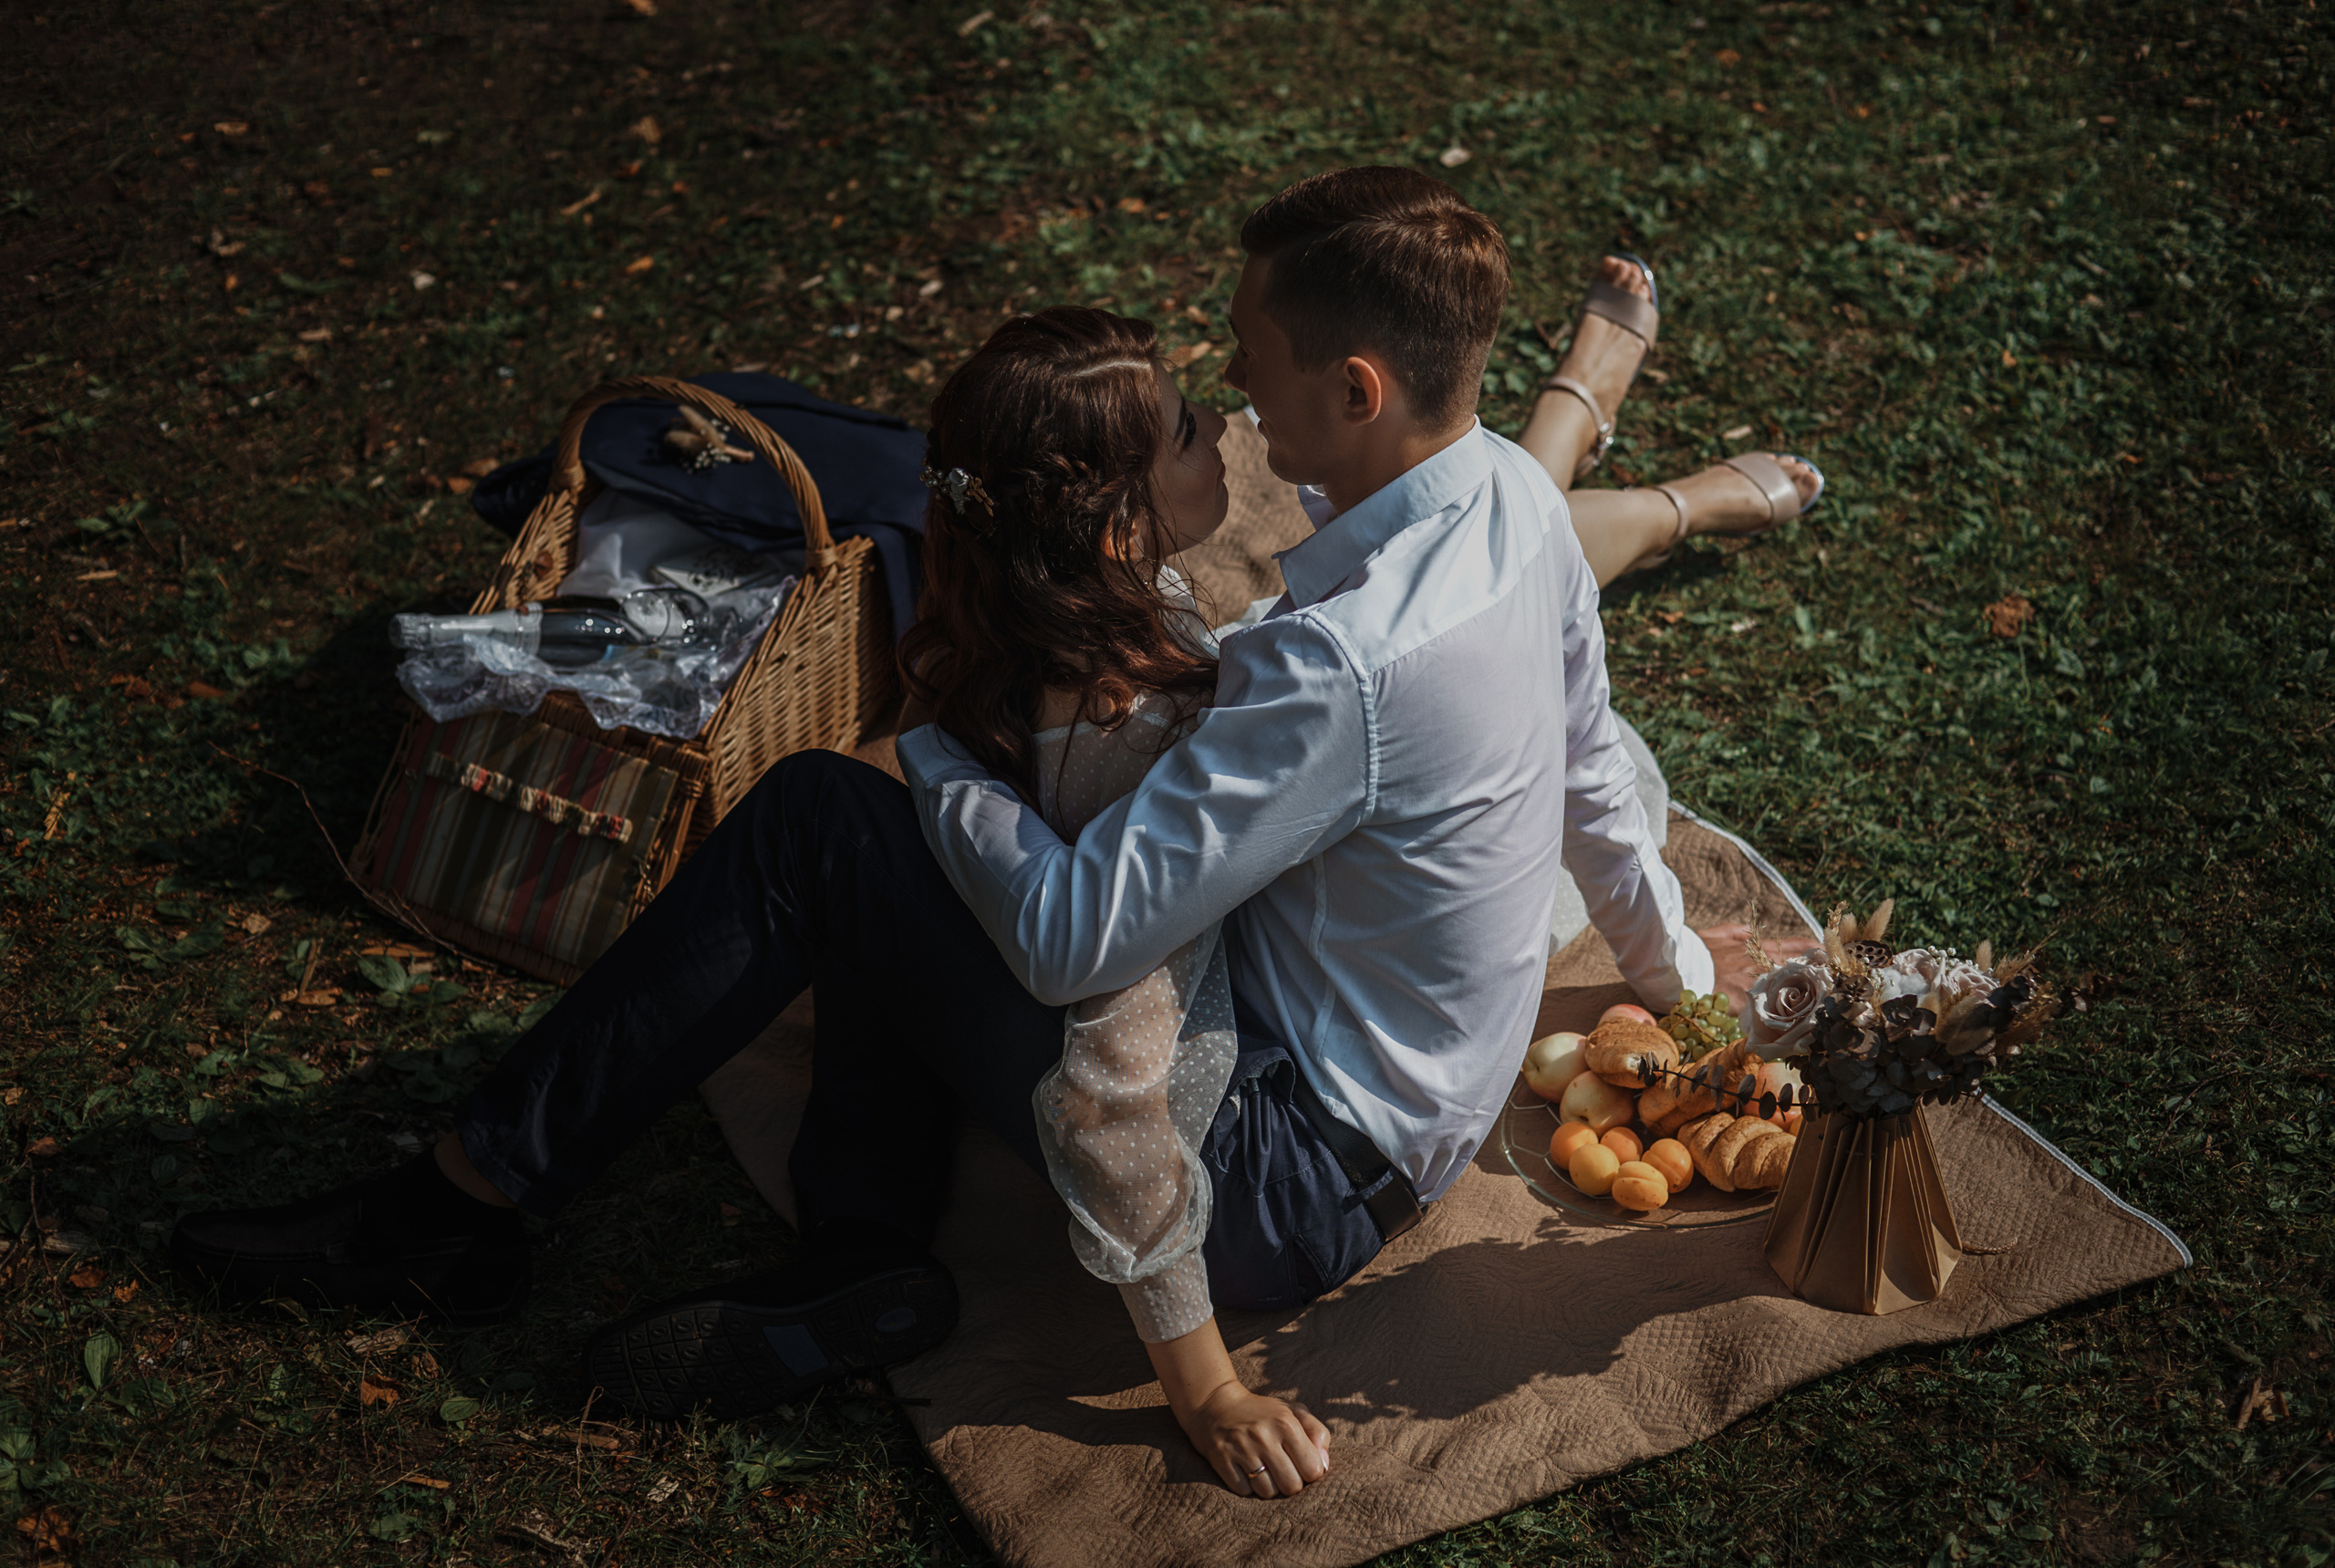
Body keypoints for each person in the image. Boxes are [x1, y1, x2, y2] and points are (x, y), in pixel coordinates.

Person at [169, 166, 1790, 1500]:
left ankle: (454, 1214)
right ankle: (861, 1246)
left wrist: (923, 757)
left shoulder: (1335, 668)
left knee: (831, 820)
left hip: (1288, 1179)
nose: (1233, 402)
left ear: (1354, 387)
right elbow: (1588, 769)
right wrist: (1673, 974)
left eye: (1253, 366)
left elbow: (1086, 945)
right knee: (895, 854)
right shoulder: (1514, 493)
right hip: (1401, 1115)